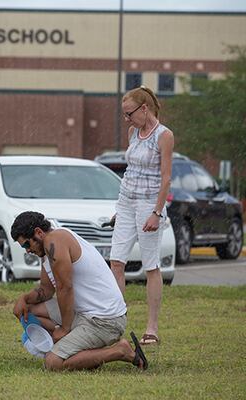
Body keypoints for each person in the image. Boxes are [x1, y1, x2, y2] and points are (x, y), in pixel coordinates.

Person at [11, 211, 148, 371]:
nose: (27, 250)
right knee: (28, 310)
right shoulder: (47, 247)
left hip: (105, 321)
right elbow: (46, 290)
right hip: (86, 314)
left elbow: (65, 288)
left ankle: (120, 351)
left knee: (53, 363)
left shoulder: (54, 241)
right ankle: (76, 351)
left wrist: (64, 329)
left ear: (39, 233)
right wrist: (24, 299)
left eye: (27, 244)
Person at [109, 85, 174, 345]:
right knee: (116, 262)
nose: (127, 119)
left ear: (144, 108)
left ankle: (152, 328)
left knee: (151, 265)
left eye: (130, 113)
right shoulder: (132, 133)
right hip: (126, 202)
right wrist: (118, 209)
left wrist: (156, 212)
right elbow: (130, 171)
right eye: (124, 115)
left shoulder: (164, 135)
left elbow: (166, 178)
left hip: (149, 204)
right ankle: (114, 322)